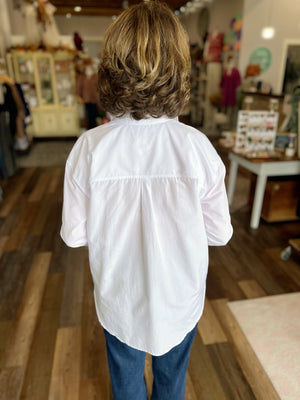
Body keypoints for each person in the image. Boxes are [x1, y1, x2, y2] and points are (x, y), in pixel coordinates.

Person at [60, 2, 233, 399]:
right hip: (180, 297)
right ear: (179, 69)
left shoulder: (89, 148)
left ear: (110, 66)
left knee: (126, 383)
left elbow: (73, 235)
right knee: (172, 381)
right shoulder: (197, 148)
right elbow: (220, 234)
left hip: (120, 297)